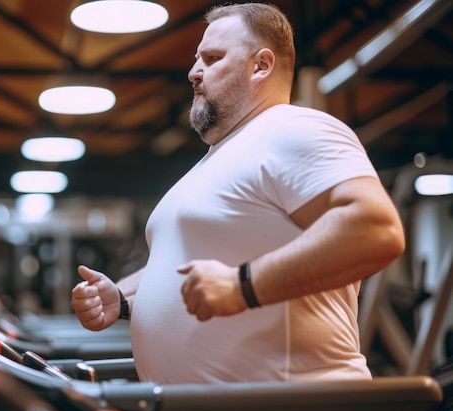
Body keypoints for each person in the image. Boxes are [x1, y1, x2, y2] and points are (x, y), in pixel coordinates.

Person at [71, 2, 405, 385]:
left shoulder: (294, 128)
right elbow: (192, 258)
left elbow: (376, 230)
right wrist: (124, 297)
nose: (193, 72)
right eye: (197, 58)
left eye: (212, 58)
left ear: (261, 66)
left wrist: (243, 285)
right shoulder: (218, 158)